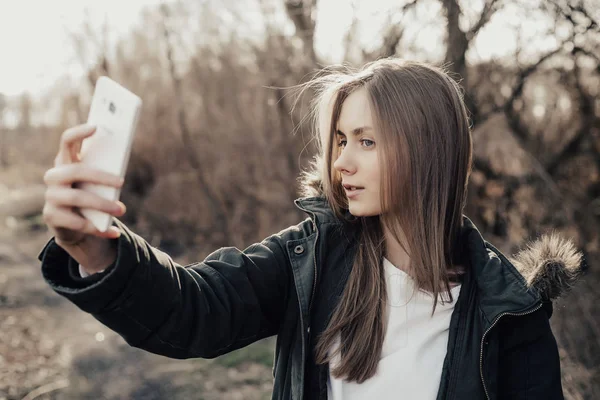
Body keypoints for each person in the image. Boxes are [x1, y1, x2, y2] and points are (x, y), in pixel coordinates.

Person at [38, 58, 583, 399]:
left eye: (366, 141)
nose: (341, 162)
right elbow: (193, 310)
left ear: (430, 153)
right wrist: (98, 251)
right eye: (341, 140)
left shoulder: (510, 314)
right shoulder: (308, 259)